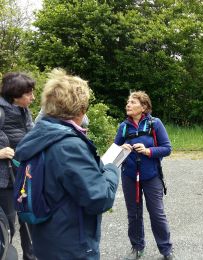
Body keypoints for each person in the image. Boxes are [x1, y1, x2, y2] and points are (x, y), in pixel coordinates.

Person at [15, 68, 119, 260]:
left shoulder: (39, 136)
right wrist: (112, 169)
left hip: (47, 239)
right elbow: (99, 198)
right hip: (70, 246)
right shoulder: (68, 145)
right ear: (80, 109)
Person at [114, 91, 173, 260]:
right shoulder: (123, 127)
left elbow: (167, 148)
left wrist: (148, 151)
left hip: (152, 176)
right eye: (128, 102)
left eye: (132, 102)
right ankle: (137, 248)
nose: (128, 104)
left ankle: (166, 250)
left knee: (157, 213)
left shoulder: (155, 124)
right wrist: (121, 148)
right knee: (134, 214)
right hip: (129, 176)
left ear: (144, 107)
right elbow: (113, 152)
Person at [0, 72, 36, 260]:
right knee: (7, 227)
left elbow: (32, 138)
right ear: (15, 94)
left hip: (25, 176)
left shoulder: (25, 111)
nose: (33, 97)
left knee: (29, 222)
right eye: (29, 94)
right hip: (4, 182)